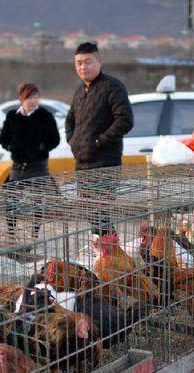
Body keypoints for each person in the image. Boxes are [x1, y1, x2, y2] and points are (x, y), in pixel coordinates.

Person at [65, 42, 133, 235]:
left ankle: (110, 256)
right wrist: (73, 141)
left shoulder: (112, 86)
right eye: (78, 63)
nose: (83, 67)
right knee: (89, 213)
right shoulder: (80, 91)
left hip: (105, 162)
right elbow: (70, 119)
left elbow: (125, 120)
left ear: (99, 62)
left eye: (87, 62)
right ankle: (103, 255)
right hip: (82, 162)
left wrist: (98, 142)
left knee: (101, 213)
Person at [0, 81, 60, 243]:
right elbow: (3, 138)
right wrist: (11, 146)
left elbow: (55, 139)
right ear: (21, 99)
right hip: (18, 166)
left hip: (38, 166)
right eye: (30, 98)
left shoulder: (45, 116)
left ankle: (34, 234)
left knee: (37, 202)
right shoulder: (12, 116)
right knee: (11, 200)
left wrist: (42, 147)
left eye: (36, 97)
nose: (33, 101)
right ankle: (11, 233)